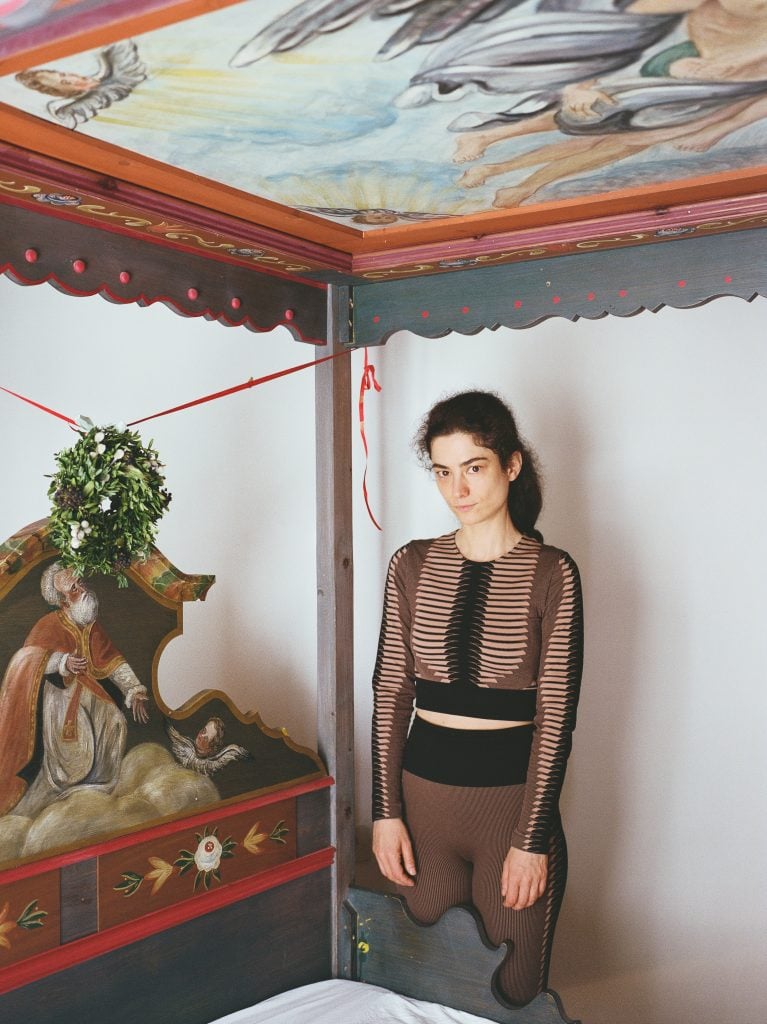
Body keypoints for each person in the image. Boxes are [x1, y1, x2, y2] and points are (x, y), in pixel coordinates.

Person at [371, 391, 584, 1006]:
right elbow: (391, 693)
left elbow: (556, 717)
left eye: (474, 466)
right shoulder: (409, 565)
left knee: (512, 997)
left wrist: (532, 838)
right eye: (442, 471)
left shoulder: (553, 571)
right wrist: (386, 813)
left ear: (511, 466)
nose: (457, 487)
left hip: (511, 817)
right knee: (421, 993)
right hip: (422, 815)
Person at [0, 562, 150, 818]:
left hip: (88, 691)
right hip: (58, 697)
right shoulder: (48, 624)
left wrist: (134, 689)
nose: (82, 589)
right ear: (63, 601)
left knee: (114, 721)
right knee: (74, 743)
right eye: (73, 588)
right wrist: (61, 662)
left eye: (81, 582)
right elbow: (27, 659)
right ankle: (65, 792)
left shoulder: (90, 626)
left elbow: (112, 660)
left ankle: (97, 789)